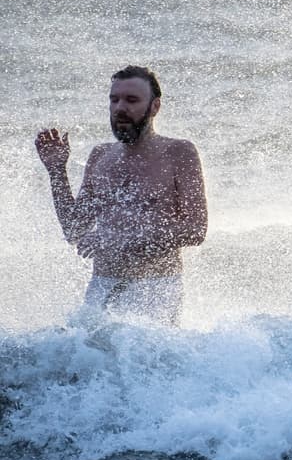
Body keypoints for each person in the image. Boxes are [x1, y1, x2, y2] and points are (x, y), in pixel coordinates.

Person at [34, 65, 208, 325]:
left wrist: (121, 237)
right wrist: (57, 171)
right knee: (84, 360)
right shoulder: (100, 156)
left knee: (145, 364)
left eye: (131, 100)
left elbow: (195, 230)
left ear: (154, 106)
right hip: (101, 286)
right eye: (114, 99)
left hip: (155, 288)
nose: (119, 108)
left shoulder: (178, 152)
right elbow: (74, 230)